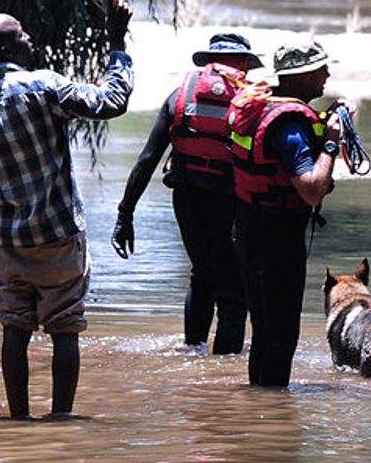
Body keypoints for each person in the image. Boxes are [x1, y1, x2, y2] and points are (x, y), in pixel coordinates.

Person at [0, 0, 134, 419]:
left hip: (5, 244)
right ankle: (62, 420)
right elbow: (111, 101)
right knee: (65, 327)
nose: (30, 40)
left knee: (15, 327)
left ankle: (19, 420)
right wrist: (116, 42)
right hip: (58, 236)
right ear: (9, 49)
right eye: (23, 35)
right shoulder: (42, 85)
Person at [111, 32, 261, 354]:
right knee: (233, 292)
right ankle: (223, 376)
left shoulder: (179, 97)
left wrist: (125, 214)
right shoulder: (253, 103)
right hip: (231, 202)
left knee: (202, 274)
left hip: (188, 199)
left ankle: (193, 353)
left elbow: (147, 160)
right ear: (244, 64)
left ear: (208, 63)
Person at [225, 39, 342, 388]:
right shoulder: (290, 124)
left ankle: (255, 407)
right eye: (320, 69)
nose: (327, 74)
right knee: (281, 336)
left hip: (247, 229)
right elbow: (310, 190)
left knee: (263, 330)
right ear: (301, 76)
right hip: (276, 239)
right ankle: (270, 423)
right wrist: (332, 142)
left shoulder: (263, 106)